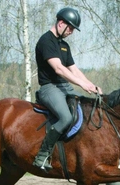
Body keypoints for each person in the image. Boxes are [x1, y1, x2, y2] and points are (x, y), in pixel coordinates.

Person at [33, 7, 102, 170]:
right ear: (61, 23)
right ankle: (42, 156)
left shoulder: (64, 46)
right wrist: (81, 84)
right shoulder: (46, 41)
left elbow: (73, 69)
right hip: (49, 88)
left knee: (89, 107)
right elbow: (59, 69)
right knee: (66, 118)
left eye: (73, 29)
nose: (71, 31)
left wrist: (91, 85)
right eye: (70, 27)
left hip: (63, 86)